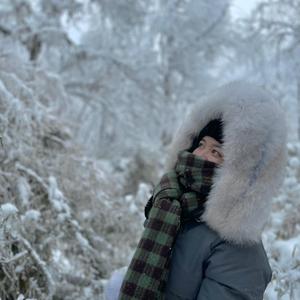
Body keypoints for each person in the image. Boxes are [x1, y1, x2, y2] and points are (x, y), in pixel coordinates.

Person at [106, 81, 287, 300]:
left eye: (216, 151)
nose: (199, 154)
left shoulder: (240, 253)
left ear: (240, 171)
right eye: (201, 144)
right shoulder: (174, 210)